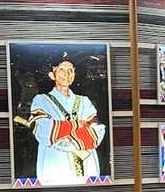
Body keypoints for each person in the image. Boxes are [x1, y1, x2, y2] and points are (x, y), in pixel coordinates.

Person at [27, 55, 106, 184]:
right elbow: (44, 131)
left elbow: (97, 131)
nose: (67, 74)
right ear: (52, 75)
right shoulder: (41, 101)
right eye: (61, 70)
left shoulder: (84, 102)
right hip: (55, 166)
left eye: (70, 71)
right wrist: (79, 127)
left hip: (88, 163)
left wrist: (63, 131)